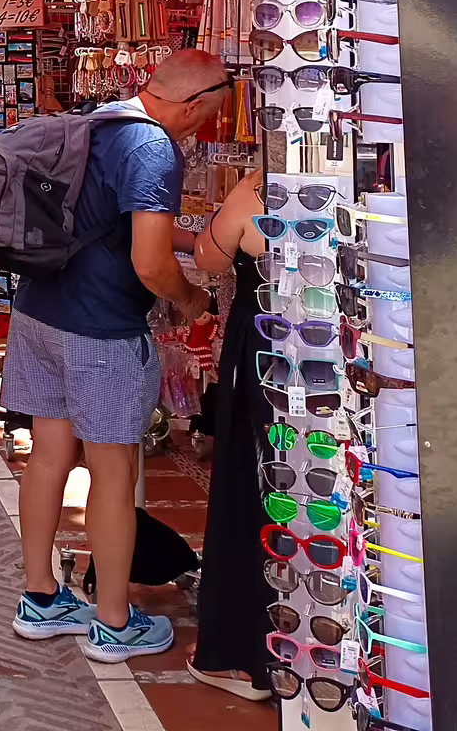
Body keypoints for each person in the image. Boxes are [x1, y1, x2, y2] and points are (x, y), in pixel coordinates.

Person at [7, 49, 228, 662]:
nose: (204, 131)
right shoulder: (154, 149)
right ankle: (113, 622)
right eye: (207, 118)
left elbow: (120, 223)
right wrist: (192, 300)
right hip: (100, 332)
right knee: (114, 473)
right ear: (190, 104)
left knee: (48, 459)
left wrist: (199, 239)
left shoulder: (101, 121)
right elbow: (150, 263)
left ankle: (41, 598)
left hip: (39, 314)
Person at [186, 170, 276, 701]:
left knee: (251, 485)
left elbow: (210, 256)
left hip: (266, 346)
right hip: (346, 356)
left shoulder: (260, 190)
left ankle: (242, 654)